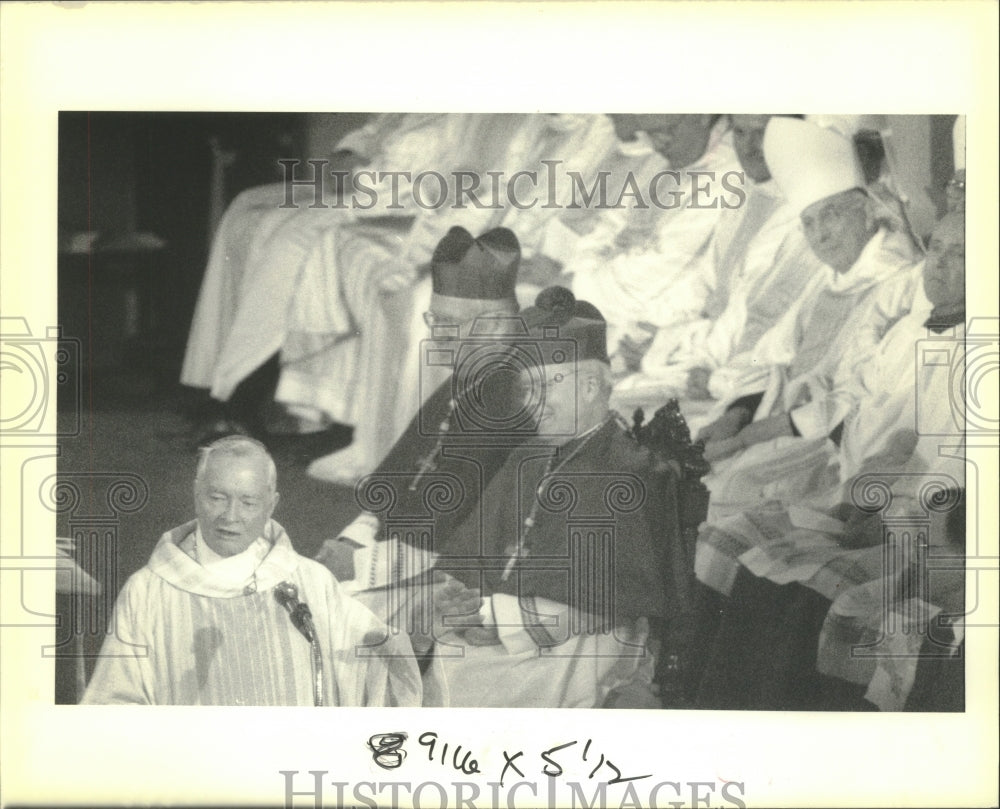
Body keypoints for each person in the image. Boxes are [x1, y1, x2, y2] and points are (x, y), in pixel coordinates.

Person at [425, 288, 675, 708]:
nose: (531, 405)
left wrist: (497, 622)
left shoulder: (630, 470)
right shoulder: (530, 454)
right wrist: (459, 597)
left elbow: (608, 604)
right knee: (447, 660)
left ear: (592, 385)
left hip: (583, 641)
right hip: (500, 622)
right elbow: (471, 554)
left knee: (474, 684)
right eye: (526, 389)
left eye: (544, 387)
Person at [81, 436, 422, 706]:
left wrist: (422, 638)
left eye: (248, 502)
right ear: (197, 495)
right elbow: (115, 703)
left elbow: (373, 657)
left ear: (271, 505)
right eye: (217, 497)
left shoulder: (307, 580)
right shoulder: (147, 591)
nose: (231, 516)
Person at [694, 116, 922, 515]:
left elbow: (862, 395)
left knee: (730, 493)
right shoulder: (831, 274)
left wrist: (765, 431)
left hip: (825, 443)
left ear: (867, 210)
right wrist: (736, 414)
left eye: (831, 214)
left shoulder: (897, 281)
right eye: (808, 222)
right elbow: (770, 356)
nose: (819, 235)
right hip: (774, 427)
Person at [312, 224, 527, 576]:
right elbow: (396, 479)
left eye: (448, 322)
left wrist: (359, 565)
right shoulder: (467, 376)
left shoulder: (509, 404)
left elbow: (458, 543)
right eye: (434, 319)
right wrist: (353, 538)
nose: (435, 334)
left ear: (497, 327)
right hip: (398, 560)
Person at [610, 114, 823, 416]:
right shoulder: (751, 189)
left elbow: (747, 314)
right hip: (699, 355)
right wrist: (653, 330)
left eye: (761, 134)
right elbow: (705, 283)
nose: (749, 148)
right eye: (740, 132)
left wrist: (669, 350)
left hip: (730, 375)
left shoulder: (798, 211)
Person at [554, 114, 740, 373]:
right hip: (611, 305)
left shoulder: (729, 174)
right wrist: (581, 270)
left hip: (653, 325)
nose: (656, 142)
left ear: (703, 116)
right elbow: (610, 222)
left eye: (665, 130)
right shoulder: (672, 152)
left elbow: (663, 264)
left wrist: (579, 284)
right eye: (648, 132)